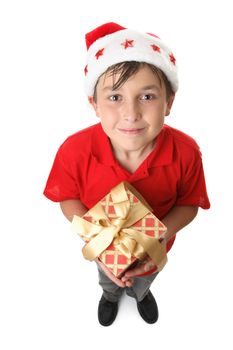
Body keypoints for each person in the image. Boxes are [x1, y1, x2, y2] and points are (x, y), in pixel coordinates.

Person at [43, 22, 210, 326]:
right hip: (105, 248)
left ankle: (142, 295)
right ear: (94, 104)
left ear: (168, 102)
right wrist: (100, 242)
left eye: (147, 97)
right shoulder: (74, 150)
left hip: (155, 246)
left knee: (146, 278)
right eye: (115, 97)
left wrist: (158, 238)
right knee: (108, 279)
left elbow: (189, 203)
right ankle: (109, 296)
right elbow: (67, 199)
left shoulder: (186, 152)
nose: (131, 114)